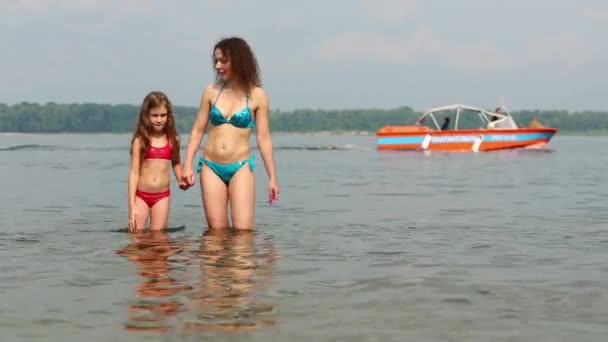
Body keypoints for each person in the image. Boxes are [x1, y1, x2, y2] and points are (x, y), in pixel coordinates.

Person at [182, 36, 279, 230]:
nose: (218, 66)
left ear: (239, 60)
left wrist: (272, 177)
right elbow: (198, 130)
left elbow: (264, 138)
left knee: (243, 231)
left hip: (241, 166)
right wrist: (187, 165)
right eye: (216, 61)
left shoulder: (257, 95)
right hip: (210, 166)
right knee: (216, 233)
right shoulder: (211, 91)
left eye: (223, 61)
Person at [128, 91, 188, 232]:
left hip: (162, 196)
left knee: (159, 238)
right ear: (146, 116)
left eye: (163, 115)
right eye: (154, 116)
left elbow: (176, 164)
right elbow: (134, 173)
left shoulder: (173, 140)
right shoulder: (140, 141)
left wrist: (181, 179)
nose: (159, 120)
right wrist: (131, 205)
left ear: (168, 116)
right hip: (141, 196)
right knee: (136, 236)